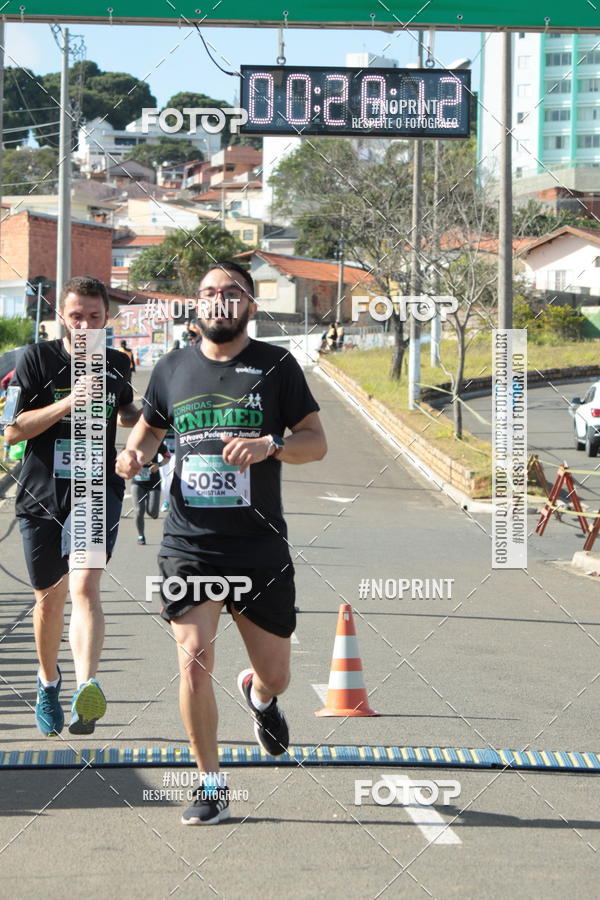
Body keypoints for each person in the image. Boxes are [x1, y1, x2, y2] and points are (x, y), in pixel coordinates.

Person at [116, 261, 327, 825]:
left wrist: (273, 445)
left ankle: (260, 697)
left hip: (258, 547)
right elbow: (149, 429)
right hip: (190, 543)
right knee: (192, 660)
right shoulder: (172, 369)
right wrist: (133, 454)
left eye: (230, 293)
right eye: (208, 292)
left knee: (277, 672)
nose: (217, 300)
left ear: (250, 306)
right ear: (197, 305)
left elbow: (316, 442)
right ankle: (210, 783)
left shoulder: (277, 366)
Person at [5, 275, 140, 737]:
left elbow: (125, 410)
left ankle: (87, 689)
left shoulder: (118, 364)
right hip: (42, 497)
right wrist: (67, 405)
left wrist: (144, 423)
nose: (85, 324)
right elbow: (12, 429)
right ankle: (48, 682)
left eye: (95, 317)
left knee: (84, 585)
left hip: (96, 494)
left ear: (107, 317)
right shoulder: (35, 359)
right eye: (76, 315)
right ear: (62, 315)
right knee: (50, 599)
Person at [131, 442, 170, 545]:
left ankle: (152, 507)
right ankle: (141, 536)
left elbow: (167, 457)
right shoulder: (133, 441)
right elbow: (122, 458)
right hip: (137, 482)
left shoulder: (156, 441)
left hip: (153, 482)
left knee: (152, 512)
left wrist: (159, 464)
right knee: (139, 510)